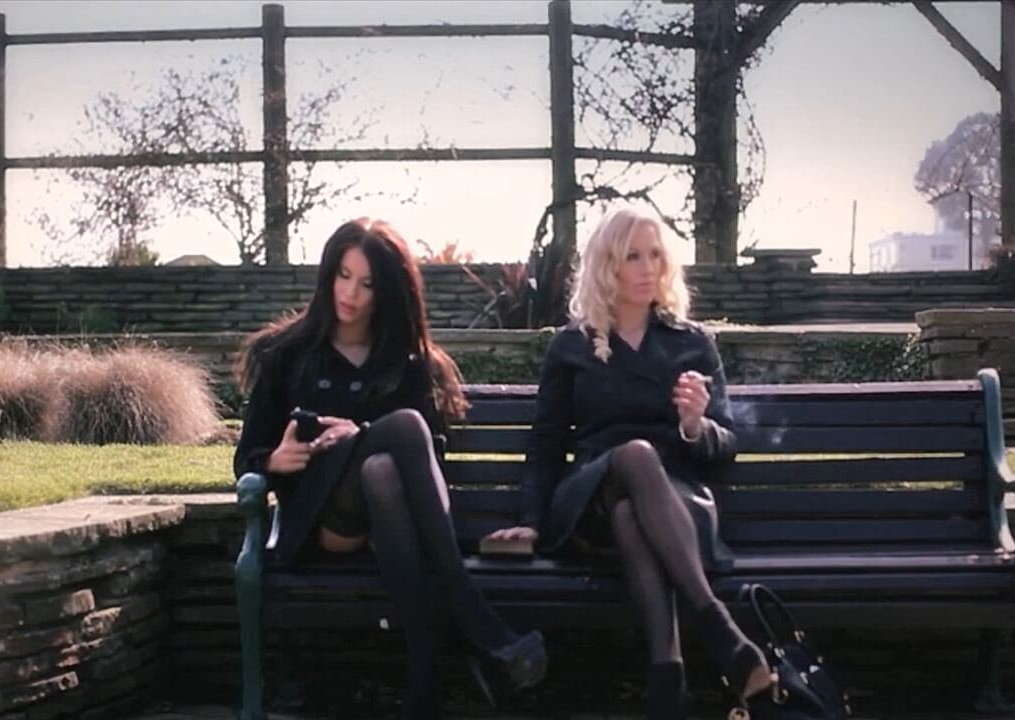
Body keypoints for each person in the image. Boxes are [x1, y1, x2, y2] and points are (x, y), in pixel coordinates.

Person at [233, 218, 547, 719]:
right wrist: (274, 460)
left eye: (367, 283)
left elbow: (428, 459)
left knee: (382, 468)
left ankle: (424, 681)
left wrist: (358, 436)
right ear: (328, 274)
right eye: (343, 275)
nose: (350, 293)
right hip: (318, 522)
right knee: (400, 427)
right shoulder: (288, 354)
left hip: (387, 522)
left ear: (387, 292)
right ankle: (474, 618)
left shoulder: (406, 361)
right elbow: (246, 457)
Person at [486, 205, 773, 719]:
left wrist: (694, 425)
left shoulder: (692, 343)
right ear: (607, 266)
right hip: (590, 497)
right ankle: (719, 628)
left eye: (655, 255)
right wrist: (531, 521)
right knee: (633, 460)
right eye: (632, 256)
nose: (648, 268)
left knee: (631, 513)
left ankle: (667, 683)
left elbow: (725, 441)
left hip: (675, 503)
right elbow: (546, 444)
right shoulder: (572, 345)